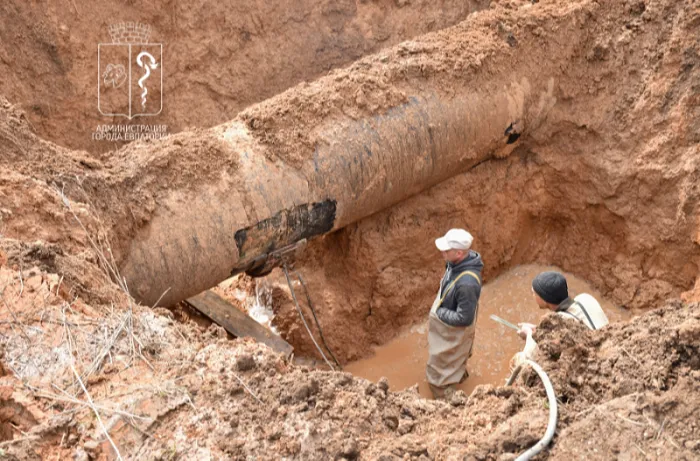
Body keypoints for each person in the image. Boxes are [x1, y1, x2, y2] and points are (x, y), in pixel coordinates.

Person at [426, 228, 484, 399]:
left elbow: (464, 318)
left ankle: (446, 397)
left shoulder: (467, 284)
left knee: (439, 375)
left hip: (454, 326)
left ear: (459, 253)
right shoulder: (456, 263)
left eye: (446, 250)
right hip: (451, 315)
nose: (442, 252)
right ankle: (459, 375)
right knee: (452, 358)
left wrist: (441, 313)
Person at [514, 271, 609, 363]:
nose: (532, 293)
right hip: (609, 352)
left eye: (534, 292)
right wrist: (538, 331)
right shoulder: (585, 298)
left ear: (544, 300)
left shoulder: (558, 325)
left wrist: (529, 335)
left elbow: (527, 360)